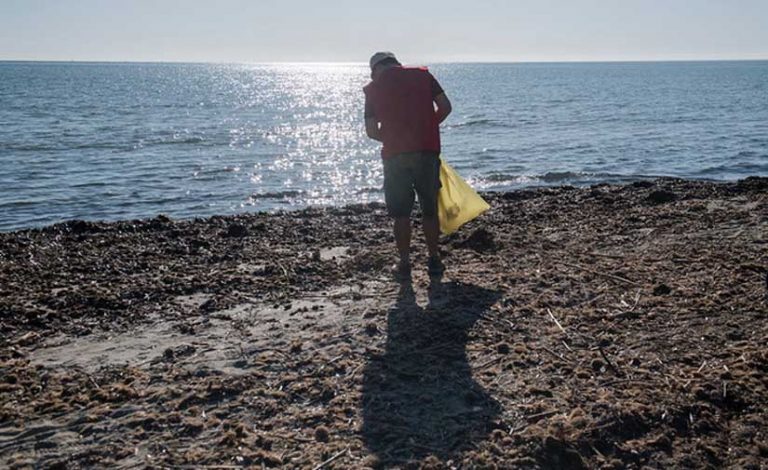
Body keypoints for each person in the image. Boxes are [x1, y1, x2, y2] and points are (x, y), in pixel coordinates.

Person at [363, 52, 453, 279]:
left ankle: (404, 264)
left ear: (375, 70)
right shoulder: (423, 76)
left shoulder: (373, 89)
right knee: (429, 210)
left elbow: (372, 131)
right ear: (397, 63)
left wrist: (395, 138)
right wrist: (427, 128)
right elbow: (445, 107)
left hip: (395, 156)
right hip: (426, 151)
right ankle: (434, 260)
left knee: (401, 214)